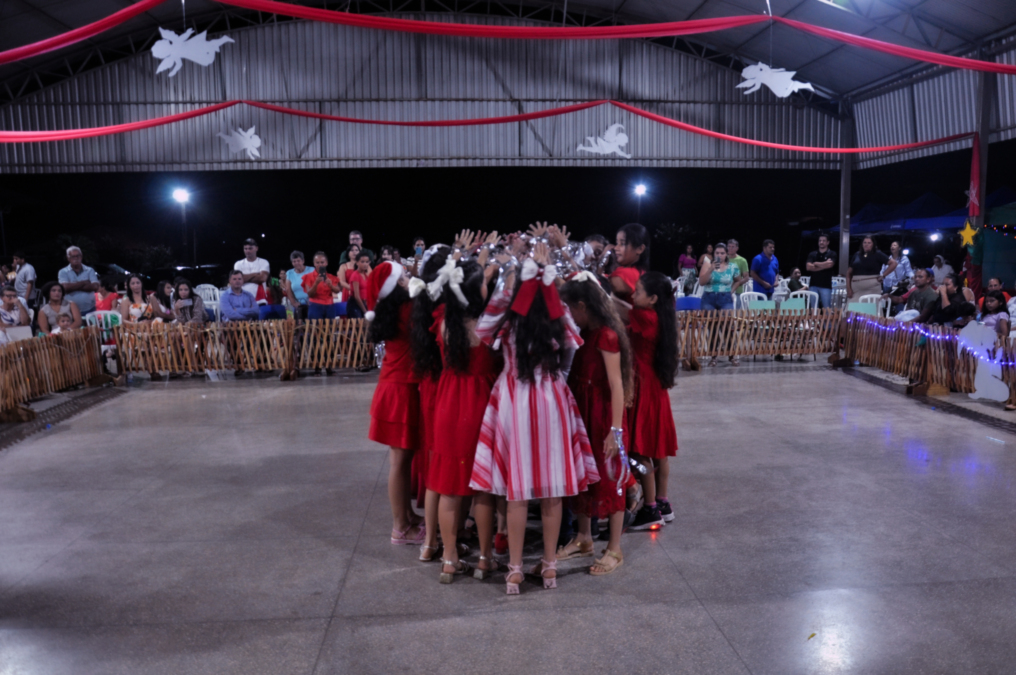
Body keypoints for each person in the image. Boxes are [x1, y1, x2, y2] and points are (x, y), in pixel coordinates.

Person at [469, 244, 599, 595]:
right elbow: (575, 338)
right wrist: (546, 277)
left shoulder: (507, 315)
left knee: (518, 489)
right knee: (552, 489)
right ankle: (550, 567)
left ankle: (514, 570)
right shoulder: (559, 316)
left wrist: (514, 281)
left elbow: (483, 329)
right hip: (551, 399)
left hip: (513, 399)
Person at [428, 256, 500, 584]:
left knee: (448, 488)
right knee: (482, 489)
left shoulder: (445, 321)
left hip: (448, 403)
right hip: (481, 404)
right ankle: (485, 559)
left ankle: (449, 559)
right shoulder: (488, 323)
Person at [557, 273, 634, 576]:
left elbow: (616, 385)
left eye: (570, 308)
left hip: (603, 415)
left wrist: (615, 431)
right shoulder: (586, 332)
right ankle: (584, 538)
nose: (569, 314)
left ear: (582, 305)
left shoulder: (606, 335)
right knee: (585, 477)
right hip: (585, 412)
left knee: (610, 479)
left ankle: (614, 548)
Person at [365, 261, 426, 548]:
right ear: (396, 283)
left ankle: (407, 516)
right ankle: (399, 527)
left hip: (394, 387)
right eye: (403, 275)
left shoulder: (391, 309)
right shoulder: (408, 308)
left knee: (402, 461)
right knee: (400, 463)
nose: (408, 277)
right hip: (401, 390)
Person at [618, 272, 679, 531]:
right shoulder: (663, 315)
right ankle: (663, 503)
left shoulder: (644, 316)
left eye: (638, 291)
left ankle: (650, 508)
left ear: (653, 298)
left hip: (642, 385)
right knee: (659, 451)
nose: (633, 295)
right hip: (656, 387)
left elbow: (616, 308)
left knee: (640, 450)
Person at [409, 244, 453, 563]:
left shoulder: (422, 301)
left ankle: (431, 539)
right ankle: (443, 536)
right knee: (444, 461)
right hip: (445, 387)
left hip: (428, 383)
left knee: (432, 457)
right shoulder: (449, 310)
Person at [699, 242, 746, 313]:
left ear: (726, 254)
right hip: (709, 296)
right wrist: (711, 269)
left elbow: (738, 280)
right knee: (709, 318)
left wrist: (731, 291)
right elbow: (701, 282)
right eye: (717, 253)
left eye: (722, 253)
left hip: (725, 297)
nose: (719, 255)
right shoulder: (707, 265)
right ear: (714, 253)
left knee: (726, 317)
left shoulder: (732, 266)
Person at [609, 223, 649, 301]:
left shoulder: (625, 274)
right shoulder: (641, 272)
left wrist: (602, 259)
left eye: (622, 244)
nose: (616, 248)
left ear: (640, 249)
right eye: (617, 243)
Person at [57, 246, 100, 316]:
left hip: (90, 309)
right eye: (73, 256)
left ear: (81, 256)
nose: (76, 258)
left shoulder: (89, 270)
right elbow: (65, 288)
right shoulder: (63, 272)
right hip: (70, 310)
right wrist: (84, 282)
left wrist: (72, 286)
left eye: (78, 256)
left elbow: (95, 287)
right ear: (68, 258)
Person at [301, 252, 342, 320]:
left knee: (330, 326)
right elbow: (310, 294)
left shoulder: (331, 277)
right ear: (314, 263)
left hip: (329, 305)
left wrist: (331, 285)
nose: (320, 265)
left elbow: (338, 290)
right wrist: (316, 283)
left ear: (326, 263)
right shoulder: (308, 277)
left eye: (322, 262)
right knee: (315, 326)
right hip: (315, 305)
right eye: (317, 262)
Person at [234, 238, 270, 306]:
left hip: (260, 300)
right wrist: (255, 274)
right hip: (243, 299)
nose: (247, 251)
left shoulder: (264, 262)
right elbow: (238, 280)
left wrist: (244, 277)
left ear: (256, 248)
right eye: (245, 249)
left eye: (250, 248)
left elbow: (262, 279)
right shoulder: (238, 264)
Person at [805, 234, 837, 308]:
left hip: (826, 285)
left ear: (828, 242)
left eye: (823, 241)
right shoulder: (812, 254)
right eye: (820, 241)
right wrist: (825, 264)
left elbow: (830, 265)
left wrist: (816, 264)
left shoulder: (832, 253)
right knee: (813, 308)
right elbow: (808, 267)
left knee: (827, 308)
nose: (821, 242)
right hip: (813, 285)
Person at [283, 251, 313, 320]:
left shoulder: (311, 270)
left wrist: (312, 300)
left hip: (311, 304)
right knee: (298, 324)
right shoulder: (289, 273)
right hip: (298, 306)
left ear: (303, 261)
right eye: (294, 261)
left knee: (312, 324)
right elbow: (288, 289)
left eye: (298, 261)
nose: (296, 263)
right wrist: (293, 303)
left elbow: (317, 287)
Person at [346, 253, 372, 318]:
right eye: (362, 262)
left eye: (367, 262)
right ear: (357, 263)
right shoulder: (355, 275)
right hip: (355, 304)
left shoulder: (365, 275)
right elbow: (357, 297)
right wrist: (365, 311)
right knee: (358, 324)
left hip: (363, 303)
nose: (365, 264)